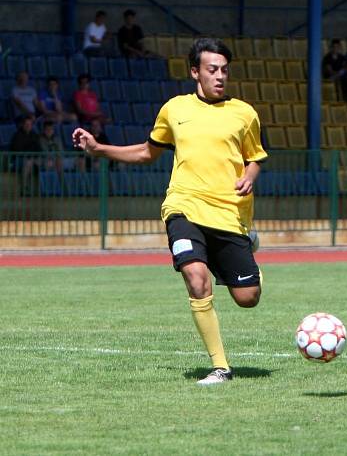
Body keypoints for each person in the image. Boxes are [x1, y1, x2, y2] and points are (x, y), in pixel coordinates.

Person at [72, 38, 268, 386]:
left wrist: (249, 176)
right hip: (183, 207)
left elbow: (255, 158)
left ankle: (242, 254)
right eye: (212, 69)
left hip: (228, 213)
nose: (219, 76)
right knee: (195, 277)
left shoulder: (244, 113)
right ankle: (221, 367)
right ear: (195, 72)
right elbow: (148, 152)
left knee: (248, 298)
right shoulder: (174, 109)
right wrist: (100, 149)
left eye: (224, 70)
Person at [9, 115, 40, 194]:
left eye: (30, 125)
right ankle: (24, 188)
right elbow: (18, 151)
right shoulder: (17, 136)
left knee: (47, 162)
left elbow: (38, 149)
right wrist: (31, 154)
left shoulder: (34, 135)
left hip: (32, 159)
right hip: (19, 160)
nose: (28, 126)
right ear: (22, 125)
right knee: (28, 162)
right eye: (26, 124)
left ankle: (45, 189)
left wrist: (34, 157)